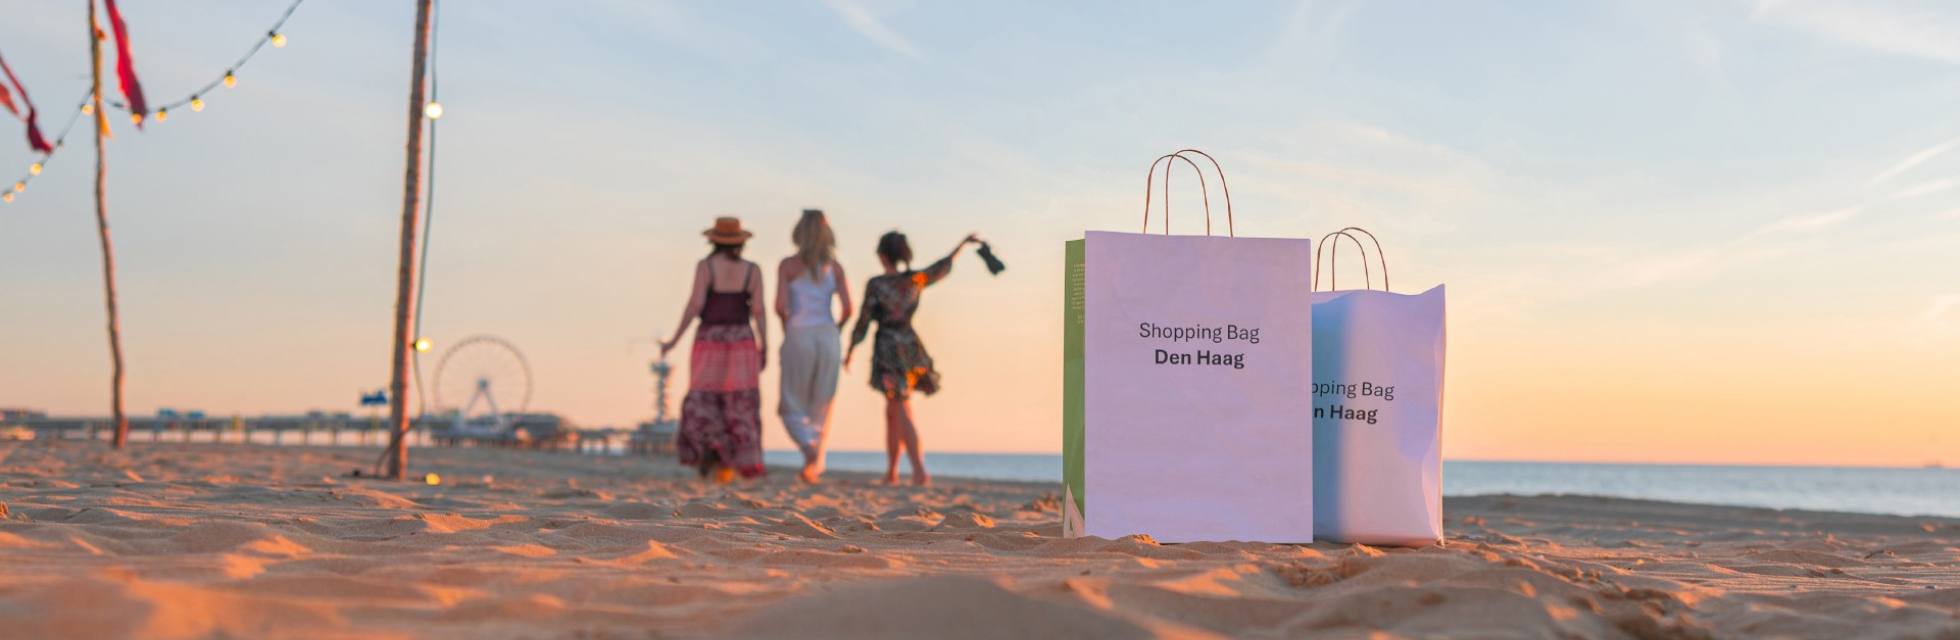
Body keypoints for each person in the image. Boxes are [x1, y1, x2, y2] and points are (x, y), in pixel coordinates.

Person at [846, 230, 980, 486]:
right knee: (893, 410)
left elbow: (863, 320)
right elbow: (941, 266)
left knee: (901, 407)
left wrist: (851, 348)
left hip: (888, 350)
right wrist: (962, 244)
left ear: (882, 256)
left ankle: (919, 471)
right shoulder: (915, 280)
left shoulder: (877, 285)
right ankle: (892, 472)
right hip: (910, 347)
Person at [660, 217, 769, 483]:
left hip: (709, 339)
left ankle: (712, 454)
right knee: (739, 401)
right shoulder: (752, 270)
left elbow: (695, 305)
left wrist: (673, 340)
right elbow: (758, 311)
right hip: (742, 340)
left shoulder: (706, 266)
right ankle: (731, 463)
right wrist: (764, 345)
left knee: (704, 398)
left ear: (713, 240)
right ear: (741, 242)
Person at [775, 209, 852, 484]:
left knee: (790, 402)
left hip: (799, 332)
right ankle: (813, 464)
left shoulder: (788, 265)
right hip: (828, 335)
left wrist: (786, 327)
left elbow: (780, 306)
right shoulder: (836, 267)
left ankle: (808, 452)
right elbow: (848, 309)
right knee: (822, 403)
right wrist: (835, 331)